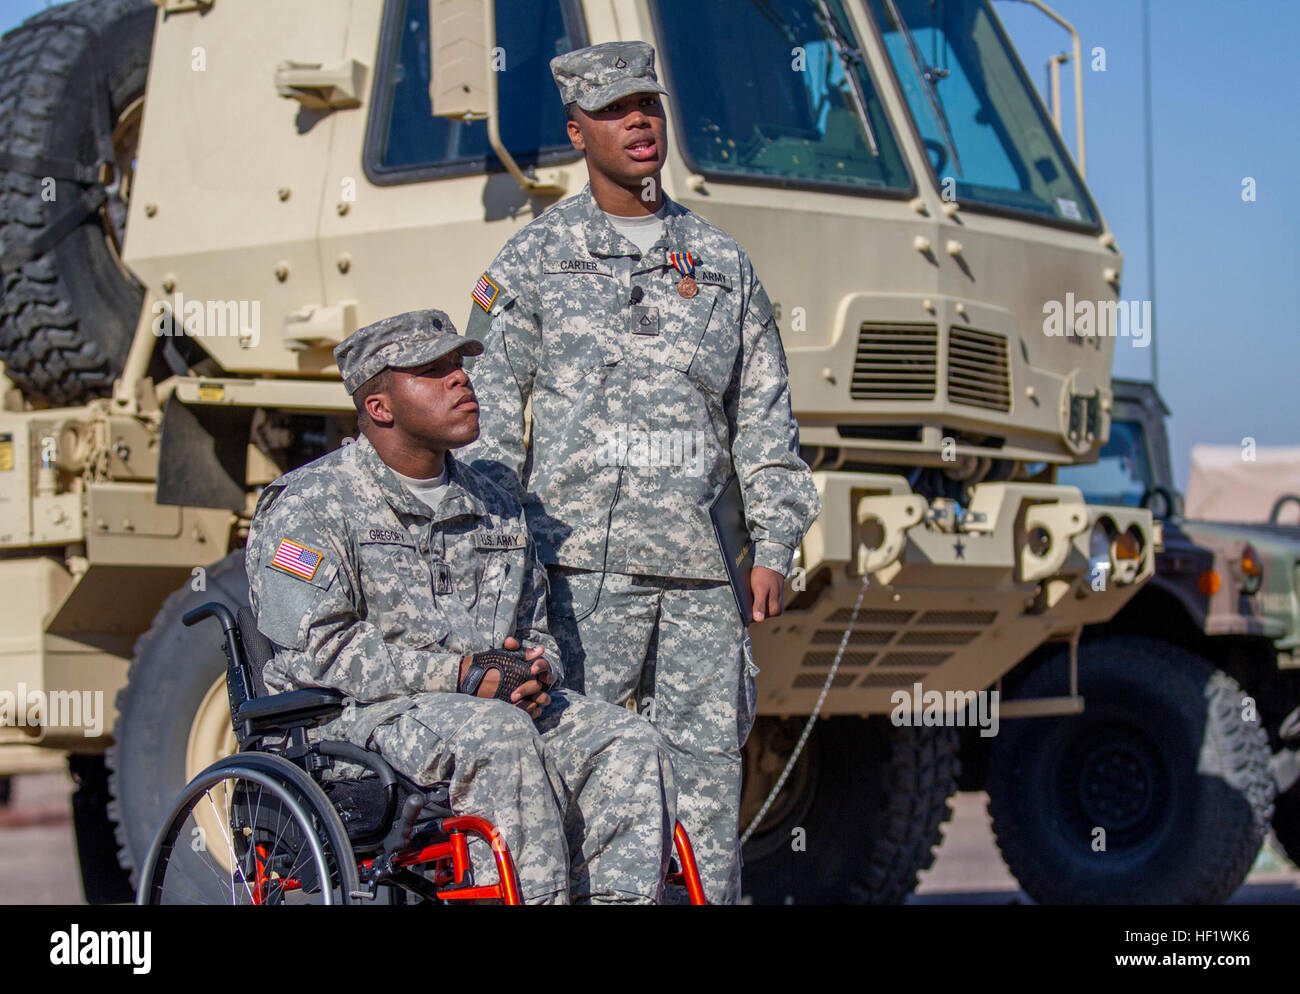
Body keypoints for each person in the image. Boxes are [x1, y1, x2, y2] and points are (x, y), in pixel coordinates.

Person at [459, 41, 821, 903]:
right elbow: (489, 430)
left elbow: (765, 417)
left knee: (703, 798)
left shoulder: (722, 265)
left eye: (649, 107)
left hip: (700, 584)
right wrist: (500, 569)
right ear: (577, 130)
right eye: (616, 111)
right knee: (576, 789)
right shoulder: (533, 262)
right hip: (578, 579)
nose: (639, 124)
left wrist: (774, 542)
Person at [244, 308, 678, 905]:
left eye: (459, 364)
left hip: (484, 707)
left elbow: (535, 628)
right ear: (380, 407)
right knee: (497, 735)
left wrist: (535, 669)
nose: (460, 380)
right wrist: (461, 676)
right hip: (354, 720)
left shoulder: (496, 504)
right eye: (433, 371)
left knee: (625, 738)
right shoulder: (311, 505)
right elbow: (317, 651)